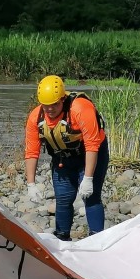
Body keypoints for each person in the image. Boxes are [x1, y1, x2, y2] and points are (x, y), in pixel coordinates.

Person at [24, 75, 109, 241]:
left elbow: (92, 145)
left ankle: (97, 239)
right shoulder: (35, 117)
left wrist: (88, 178)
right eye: (46, 105)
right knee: (63, 198)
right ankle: (62, 238)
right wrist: (31, 184)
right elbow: (31, 152)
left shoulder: (80, 108)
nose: (50, 109)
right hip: (62, 159)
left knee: (91, 197)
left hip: (90, 155)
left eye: (55, 104)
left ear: (62, 99)